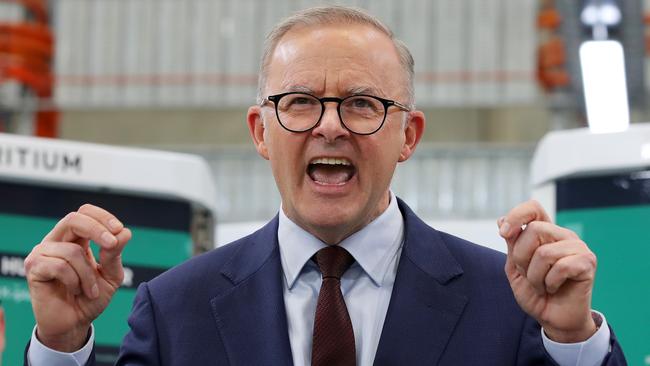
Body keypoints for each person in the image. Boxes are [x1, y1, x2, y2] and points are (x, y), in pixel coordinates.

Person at [24, 6, 625, 366]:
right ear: (261, 131)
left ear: (408, 135)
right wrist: (59, 343)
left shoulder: (511, 305)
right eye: (301, 102)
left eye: (362, 104)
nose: (330, 125)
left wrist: (573, 340)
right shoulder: (175, 309)